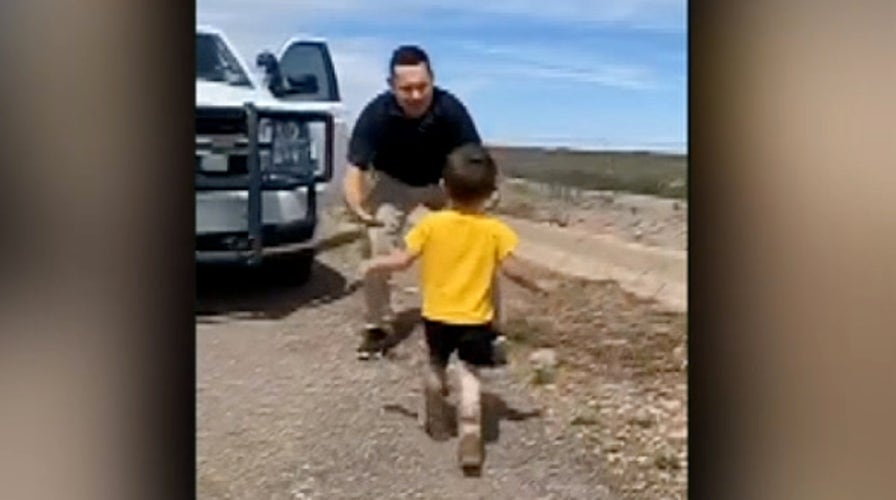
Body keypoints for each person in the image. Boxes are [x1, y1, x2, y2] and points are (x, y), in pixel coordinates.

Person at [359, 144, 545, 473]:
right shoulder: (495, 231)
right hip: (475, 319)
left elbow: (402, 261)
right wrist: (539, 285)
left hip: (437, 317)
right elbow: (512, 269)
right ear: (490, 193)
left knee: (436, 361)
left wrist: (375, 263)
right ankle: (471, 426)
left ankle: (435, 390)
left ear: (444, 188)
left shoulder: (431, 226)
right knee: (470, 371)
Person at [343, 44, 497, 359]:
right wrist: (358, 206)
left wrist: (487, 193)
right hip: (393, 183)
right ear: (392, 87)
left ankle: (483, 320)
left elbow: (475, 159)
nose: (415, 95)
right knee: (376, 241)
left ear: (433, 80)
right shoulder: (377, 114)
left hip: (443, 183)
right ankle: (377, 326)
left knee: (480, 238)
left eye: (422, 87)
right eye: (406, 88)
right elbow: (354, 170)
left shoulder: (450, 108)